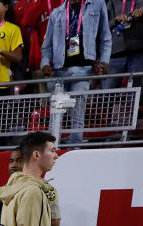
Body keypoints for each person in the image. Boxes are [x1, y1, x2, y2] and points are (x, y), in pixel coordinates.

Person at [40, 0, 112, 144]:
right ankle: (53, 149)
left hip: (83, 70)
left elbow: (105, 37)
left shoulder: (97, 5)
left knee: (77, 114)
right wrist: (45, 63)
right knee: (56, 114)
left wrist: (104, 60)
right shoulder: (57, 12)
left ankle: (75, 148)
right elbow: (47, 46)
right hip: (59, 71)